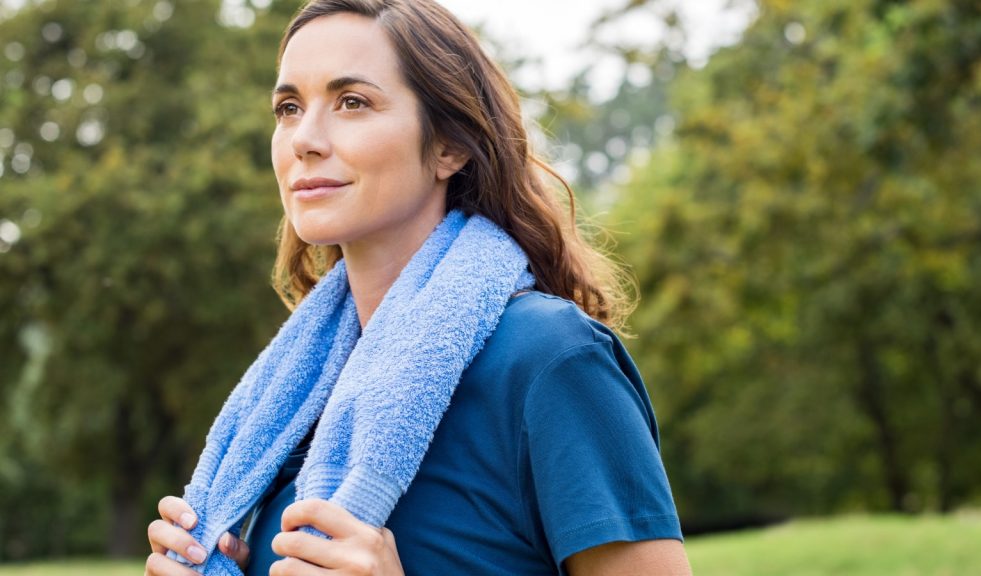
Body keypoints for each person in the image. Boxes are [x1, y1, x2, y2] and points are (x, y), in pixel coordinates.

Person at [145, 0, 692, 574]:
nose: (304, 138)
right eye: (288, 107)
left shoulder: (551, 358)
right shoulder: (294, 398)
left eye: (352, 102)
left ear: (448, 146)